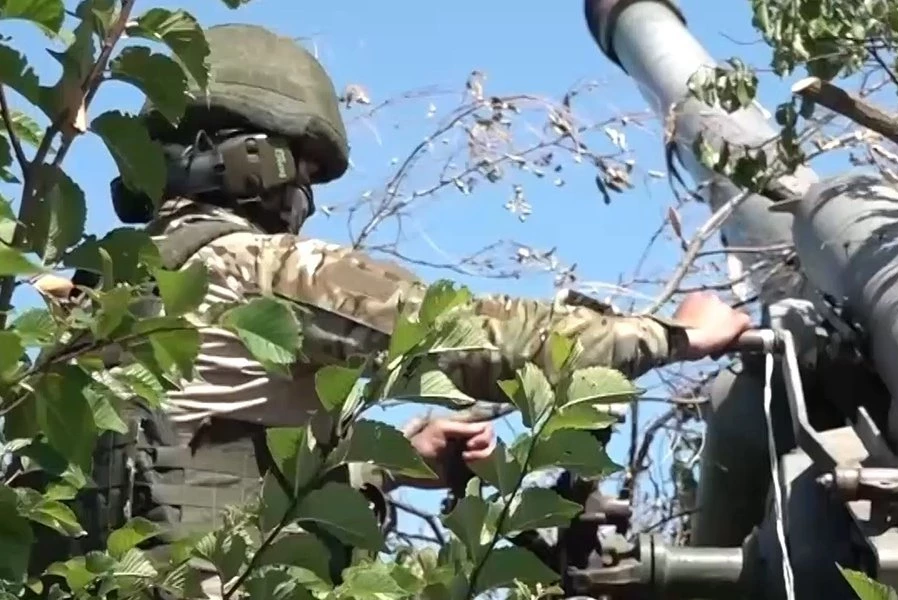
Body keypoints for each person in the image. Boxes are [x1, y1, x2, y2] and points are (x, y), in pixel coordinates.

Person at [24, 22, 752, 595]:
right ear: (249, 159)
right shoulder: (256, 271)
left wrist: (390, 464)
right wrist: (675, 334)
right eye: (302, 174)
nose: (303, 201)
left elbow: (177, 484)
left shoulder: (95, 305)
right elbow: (482, 339)